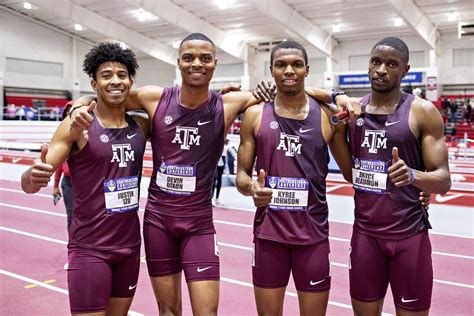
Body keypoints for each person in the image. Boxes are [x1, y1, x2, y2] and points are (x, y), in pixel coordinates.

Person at [70, 33, 359, 315]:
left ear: (215, 64)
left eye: (205, 58)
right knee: (168, 309)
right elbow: (109, 93)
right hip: (159, 221)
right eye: (189, 58)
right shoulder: (153, 97)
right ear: (179, 63)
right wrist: (80, 104)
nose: (197, 63)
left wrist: (337, 94)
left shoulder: (229, 103)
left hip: (198, 224)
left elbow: (289, 87)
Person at [21, 42, 150, 315]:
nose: (115, 81)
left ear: (130, 82)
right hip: (90, 250)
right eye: (106, 75)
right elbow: (30, 184)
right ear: (94, 83)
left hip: (129, 248)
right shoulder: (77, 125)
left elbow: (182, 107)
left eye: (122, 75)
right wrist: (32, 176)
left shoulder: (141, 125)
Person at [236, 40, 353, 316]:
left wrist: (415, 188)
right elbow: (241, 175)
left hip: (312, 237)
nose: (289, 70)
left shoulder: (327, 117)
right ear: (272, 70)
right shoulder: (254, 115)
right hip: (268, 236)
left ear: (307, 70)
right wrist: (251, 187)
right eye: (281, 65)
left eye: (296, 64)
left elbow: (351, 173)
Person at [346, 37, 451, 316]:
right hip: (365, 235)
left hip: (409, 236)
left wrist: (413, 175)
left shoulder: (423, 112)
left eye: (391, 64)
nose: (381, 69)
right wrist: (334, 96)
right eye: (376, 62)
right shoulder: (353, 112)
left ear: (405, 69)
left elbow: (443, 180)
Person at [53, 101, 74, 233]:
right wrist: (55, 185)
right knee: (71, 214)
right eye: (67, 110)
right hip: (68, 183)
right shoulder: (61, 135)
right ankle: (73, 245)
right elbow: (60, 163)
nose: (69, 112)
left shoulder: (88, 133)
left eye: (72, 110)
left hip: (85, 182)